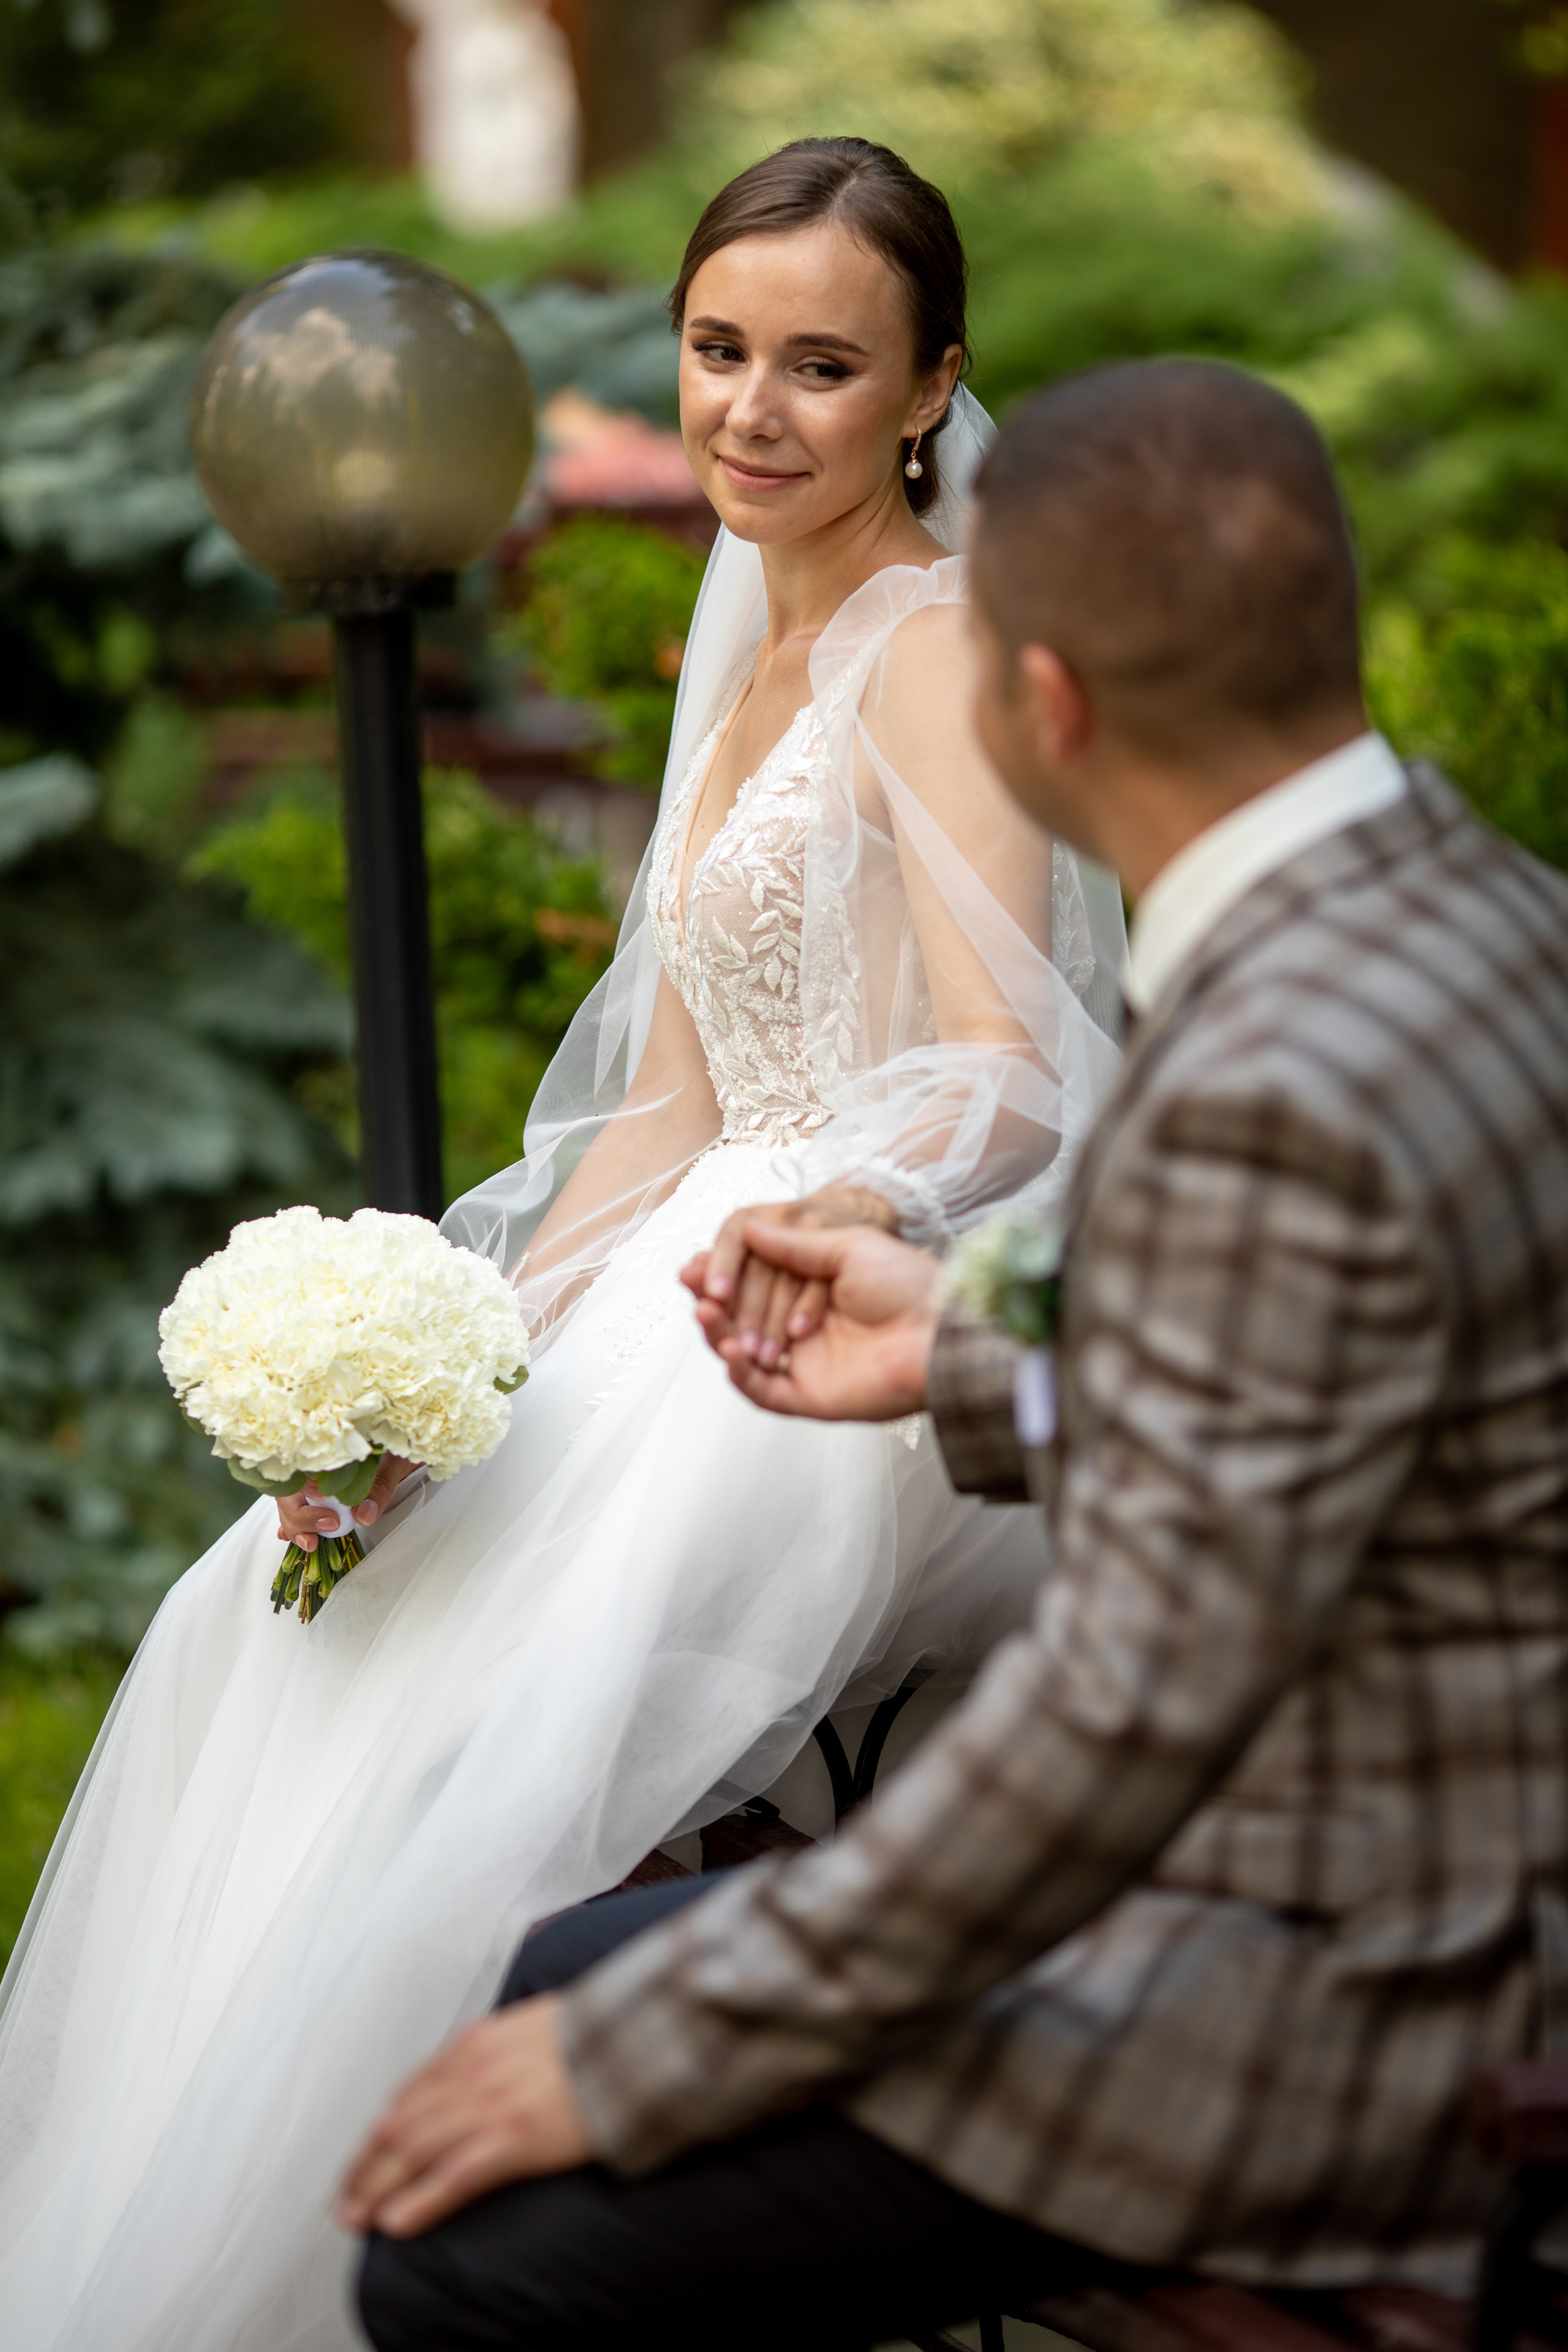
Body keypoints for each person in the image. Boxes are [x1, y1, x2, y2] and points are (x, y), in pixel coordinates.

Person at [0, 141, 1123, 2351]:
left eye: (823, 367)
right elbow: (668, 1112)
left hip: (836, 1302)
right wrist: (454, 1349)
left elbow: (1022, 1067)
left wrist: (839, 1204)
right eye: (721, 352)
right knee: (280, 1606)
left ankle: (438, 2240)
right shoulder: (753, 659)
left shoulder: (929, 643)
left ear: (931, 393)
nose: (750, 412)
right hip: (704, 1235)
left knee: (487, 1703)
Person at [341, 357, 1568, 2352]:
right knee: (567, 1962)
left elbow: (1108, 1727)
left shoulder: (1275, 1075)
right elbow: (1346, 1398)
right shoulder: (1483, 916)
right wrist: (965, 1352)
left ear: (1047, 704)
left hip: (1367, 1991)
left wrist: (649, 2060)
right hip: (1447, 1865)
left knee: (472, 2250)